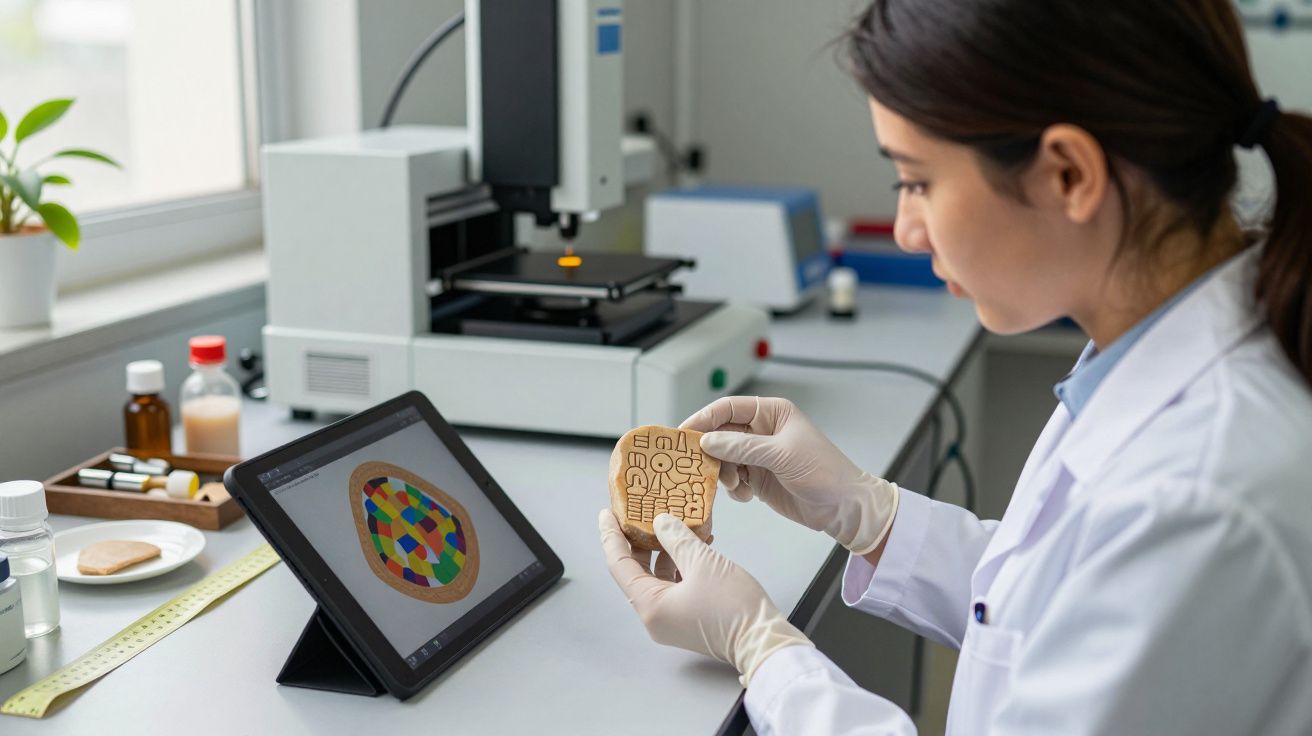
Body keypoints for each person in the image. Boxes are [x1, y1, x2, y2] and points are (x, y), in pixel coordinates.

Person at [598, 1, 1312, 733]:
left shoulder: (1200, 498)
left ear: (1068, 174)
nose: (906, 231)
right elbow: (1048, 607)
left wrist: (762, 649)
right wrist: (866, 512)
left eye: (917, 181)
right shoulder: (1153, 356)